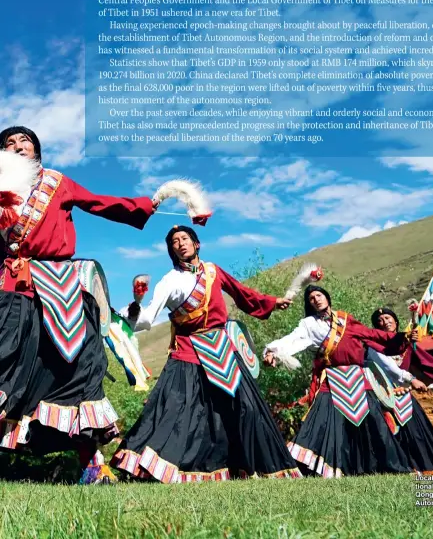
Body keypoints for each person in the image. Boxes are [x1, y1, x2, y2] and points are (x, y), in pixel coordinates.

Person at [0, 126, 157, 484]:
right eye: (9, 143)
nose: (17, 145)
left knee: (80, 368)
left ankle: (91, 463)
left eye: (24, 141)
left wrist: (146, 205)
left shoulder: (57, 182)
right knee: (8, 361)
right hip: (15, 288)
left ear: (37, 151)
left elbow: (98, 203)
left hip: (63, 286)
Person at [111, 225, 302, 483]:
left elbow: (242, 293)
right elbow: (147, 318)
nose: (180, 243)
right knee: (178, 408)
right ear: (171, 251)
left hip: (223, 348)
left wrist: (271, 302)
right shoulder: (170, 280)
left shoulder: (213, 270)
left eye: (185, 239)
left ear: (196, 244)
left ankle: (255, 467)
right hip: (188, 350)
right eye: (175, 242)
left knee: (246, 408)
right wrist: (135, 306)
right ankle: (152, 466)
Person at [263, 284, 412, 478]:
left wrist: (401, 338)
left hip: (358, 377)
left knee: (376, 424)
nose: (316, 299)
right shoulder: (309, 324)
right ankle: (307, 467)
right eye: (311, 298)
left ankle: (391, 467)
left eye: (319, 295)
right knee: (320, 421)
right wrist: (273, 351)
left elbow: (372, 334)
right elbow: (293, 339)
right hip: (332, 379)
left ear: (327, 297)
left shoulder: (345, 319)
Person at [369, 307, 433, 473]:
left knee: (418, 434)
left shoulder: (407, 345)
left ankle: (430, 468)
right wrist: (412, 379)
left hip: (404, 396)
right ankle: (404, 470)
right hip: (383, 398)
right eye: (380, 321)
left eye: (388, 318)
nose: (385, 322)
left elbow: (426, 362)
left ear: (396, 322)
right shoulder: (374, 347)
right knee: (392, 435)